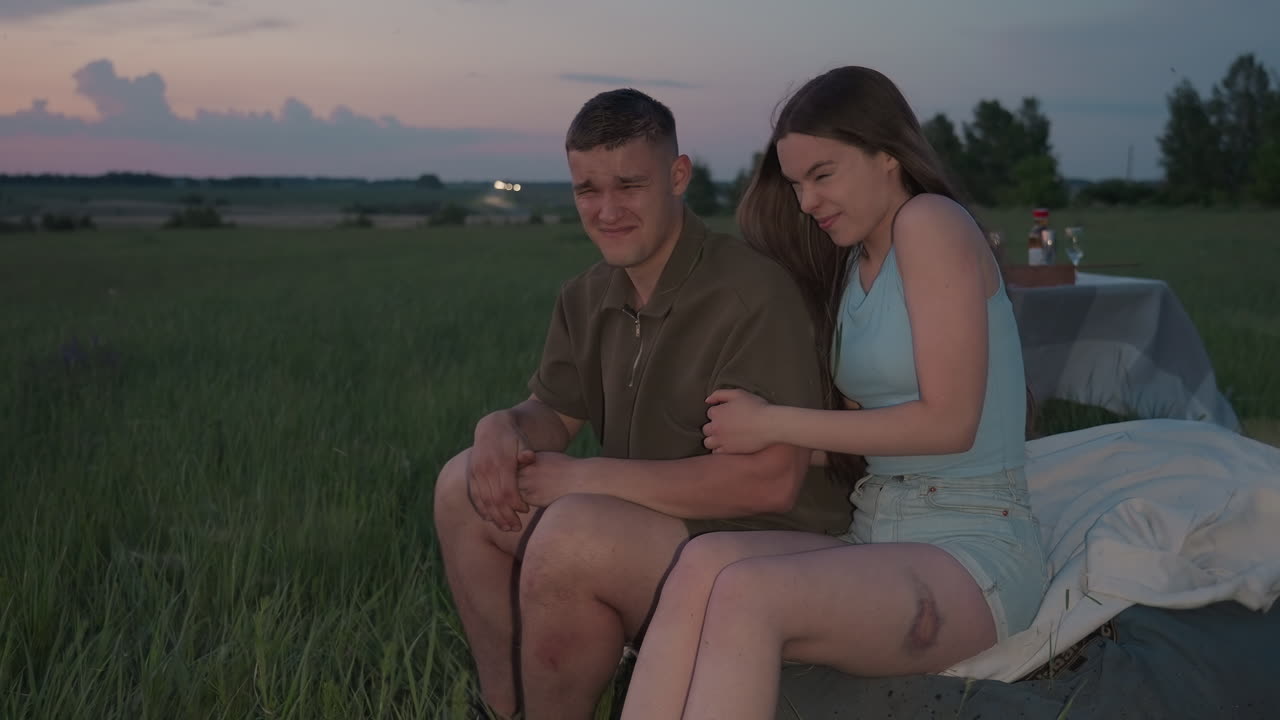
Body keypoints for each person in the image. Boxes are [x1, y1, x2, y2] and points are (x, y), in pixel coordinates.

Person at [618, 65, 1051, 720]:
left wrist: (777, 425)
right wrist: (728, 441)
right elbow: (861, 439)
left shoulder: (931, 223)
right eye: (795, 184)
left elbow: (949, 424)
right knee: (704, 561)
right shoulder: (855, 267)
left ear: (887, 156)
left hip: (972, 548)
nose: (806, 202)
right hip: (880, 531)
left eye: (822, 175)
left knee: (749, 595)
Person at [431, 88, 855, 720]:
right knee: (461, 485)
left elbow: (768, 482)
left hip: (769, 543)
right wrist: (502, 426)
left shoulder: (748, 293)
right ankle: (504, 708)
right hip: (647, 527)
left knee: (574, 534)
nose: (606, 211)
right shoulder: (587, 296)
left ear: (677, 176)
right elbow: (554, 412)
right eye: (587, 190)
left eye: (629, 185)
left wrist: (582, 480)